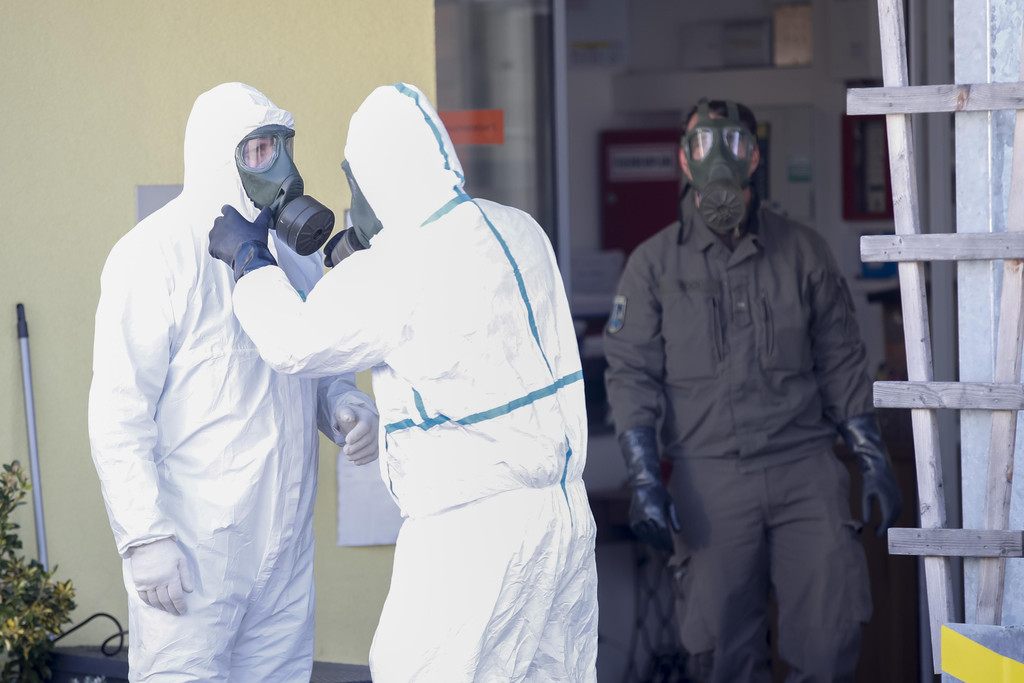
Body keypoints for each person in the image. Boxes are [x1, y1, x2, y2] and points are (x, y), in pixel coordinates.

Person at [206, 82, 599, 683]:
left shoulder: (399, 265)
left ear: (374, 177)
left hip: (471, 530)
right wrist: (365, 259)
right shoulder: (518, 228)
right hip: (564, 515)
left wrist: (249, 262)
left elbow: (294, 342)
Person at [603, 98, 903, 683]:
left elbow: (842, 361)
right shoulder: (652, 266)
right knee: (724, 657)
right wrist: (643, 477)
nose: (719, 158)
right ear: (683, 161)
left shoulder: (804, 252)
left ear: (756, 157)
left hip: (803, 468)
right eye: (702, 144)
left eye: (734, 143)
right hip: (710, 479)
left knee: (830, 641)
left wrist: (872, 457)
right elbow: (630, 373)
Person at [88, 82, 379, 682]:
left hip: (285, 553)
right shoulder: (152, 254)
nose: (279, 166)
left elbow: (311, 365)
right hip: (191, 555)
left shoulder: (291, 256)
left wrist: (345, 402)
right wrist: (144, 536)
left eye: (282, 147)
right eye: (258, 150)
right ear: (218, 155)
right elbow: (119, 414)